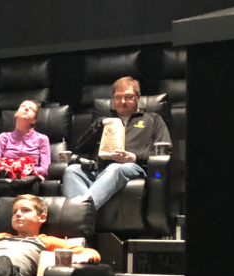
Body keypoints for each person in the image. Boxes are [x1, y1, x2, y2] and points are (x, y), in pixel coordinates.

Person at [63, 76, 171, 212]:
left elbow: (164, 152)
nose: (122, 102)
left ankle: (77, 215)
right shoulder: (104, 121)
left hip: (132, 167)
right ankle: (81, 220)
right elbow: (80, 148)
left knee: (115, 168)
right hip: (99, 168)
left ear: (138, 97)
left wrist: (134, 158)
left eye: (128, 97)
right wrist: (98, 127)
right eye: (118, 97)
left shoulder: (153, 120)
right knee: (72, 171)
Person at [0, 100, 51, 178]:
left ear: (34, 120)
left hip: (30, 179)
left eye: (31, 109)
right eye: (23, 106)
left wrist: (21, 169)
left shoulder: (42, 139)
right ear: (16, 114)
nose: (26, 109)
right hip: (6, 179)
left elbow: (45, 170)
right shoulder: (3, 137)